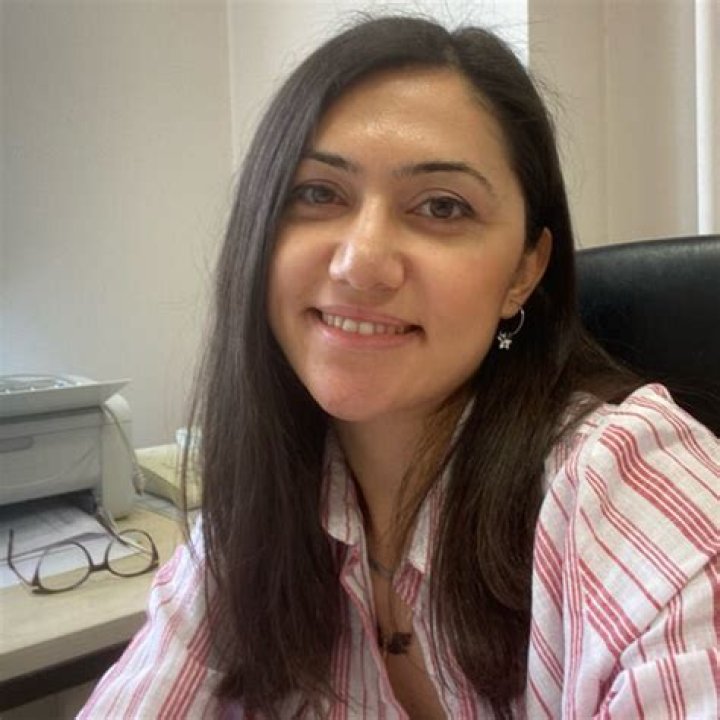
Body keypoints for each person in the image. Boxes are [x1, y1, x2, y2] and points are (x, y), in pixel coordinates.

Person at [79, 15, 718, 720]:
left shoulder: (623, 483)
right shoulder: (261, 516)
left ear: (523, 273)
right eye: (318, 193)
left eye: (442, 206)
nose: (361, 264)